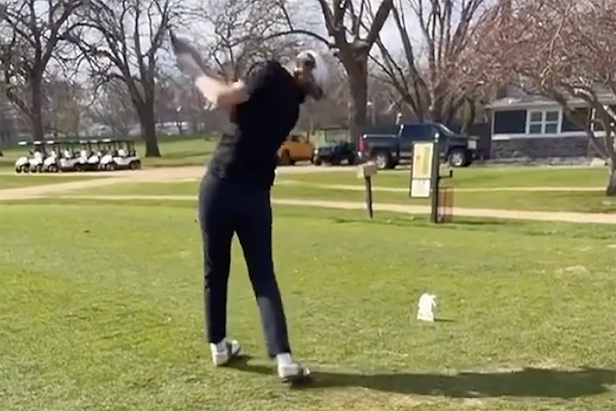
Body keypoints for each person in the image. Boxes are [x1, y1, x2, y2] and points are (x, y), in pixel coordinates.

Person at [174, 41, 327, 382]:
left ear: (299, 62)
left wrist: (197, 72)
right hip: (255, 194)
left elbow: (223, 98)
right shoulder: (291, 108)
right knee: (263, 275)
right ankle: (284, 357)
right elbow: (240, 105)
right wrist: (222, 83)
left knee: (216, 269)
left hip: (220, 184)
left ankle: (218, 345)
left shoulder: (270, 71)